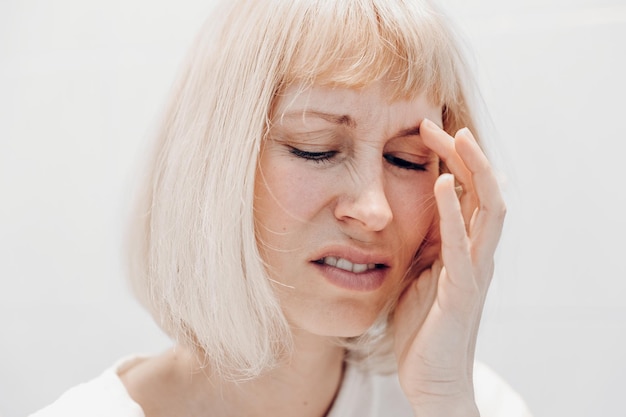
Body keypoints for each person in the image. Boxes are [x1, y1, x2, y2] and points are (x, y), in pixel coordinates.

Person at [31, 0, 533, 416]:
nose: (375, 210)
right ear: (218, 170)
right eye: (317, 148)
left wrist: (445, 399)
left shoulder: (468, 401)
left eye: (407, 159)